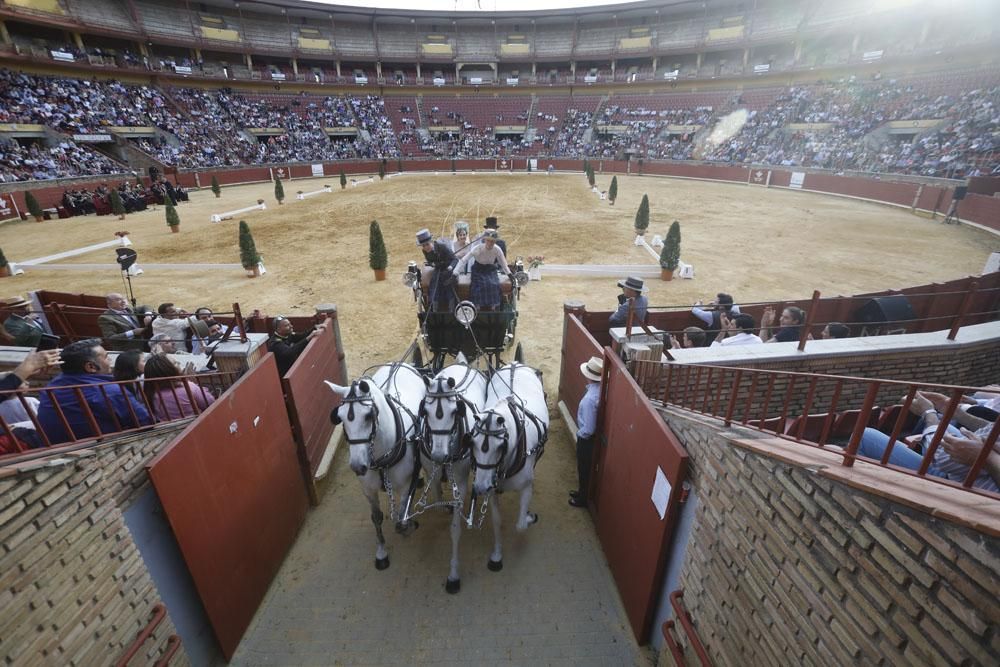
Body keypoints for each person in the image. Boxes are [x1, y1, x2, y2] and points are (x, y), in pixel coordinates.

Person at [853, 392, 1000, 492]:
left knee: (865, 435)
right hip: (969, 474)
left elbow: (941, 457)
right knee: (945, 426)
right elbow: (992, 430)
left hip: (960, 487)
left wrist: (929, 414)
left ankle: (859, 494)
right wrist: (955, 412)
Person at [36, 339, 153, 444]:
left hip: (54, 447)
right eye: (106, 357)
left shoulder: (53, 385)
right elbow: (147, 422)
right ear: (91, 367)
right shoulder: (109, 392)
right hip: (101, 450)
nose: (110, 360)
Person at [570, 355, 603, 508]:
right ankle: (581, 492)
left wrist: (580, 434)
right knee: (585, 468)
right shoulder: (599, 391)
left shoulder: (590, 399)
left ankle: (582, 498)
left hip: (587, 439)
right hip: (593, 438)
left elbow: (589, 429)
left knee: (584, 468)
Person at [142, 353, 215, 420]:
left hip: (167, 429)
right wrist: (195, 383)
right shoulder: (188, 387)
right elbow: (211, 403)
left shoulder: (150, 393)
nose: (179, 363)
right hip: (194, 426)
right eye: (175, 363)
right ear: (169, 370)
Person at [453, 230, 511, 310]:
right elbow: (464, 260)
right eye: (488, 240)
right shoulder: (478, 249)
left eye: (492, 241)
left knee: (493, 284)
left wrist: (509, 274)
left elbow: (503, 263)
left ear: (495, 242)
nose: (490, 243)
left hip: (490, 270)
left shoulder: (497, 249)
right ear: (485, 240)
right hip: (478, 269)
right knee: (479, 285)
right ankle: (477, 305)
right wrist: (455, 273)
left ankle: (493, 306)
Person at [417, 228, 458, 312]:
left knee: (448, 285)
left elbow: (455, 259)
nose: (426, 247)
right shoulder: (425, 251)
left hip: (448, 270)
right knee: (434, 286)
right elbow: (431, 261)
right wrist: (434, 264)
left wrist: (450, 268)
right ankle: (434, 309)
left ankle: (452, 310)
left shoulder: (442, 246)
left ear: (431, 241)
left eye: (427, 244)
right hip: (438, 269)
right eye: (423, 245)